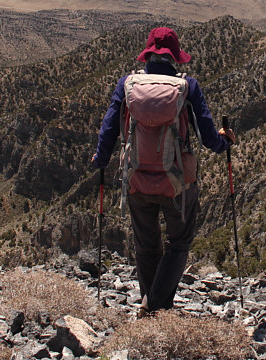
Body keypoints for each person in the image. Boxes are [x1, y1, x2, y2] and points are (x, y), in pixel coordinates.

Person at [92, 26, 235, 315]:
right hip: (177, 183)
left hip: (136, 179)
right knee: (179, 242)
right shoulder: (187, 87)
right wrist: (225, 141)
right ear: (175, 57)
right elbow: (208, 138)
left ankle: (152, 305)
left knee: (146, 245)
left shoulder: (127, 85)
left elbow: (109, 129)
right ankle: (155, 307)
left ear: (148, 53)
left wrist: (101, 159)